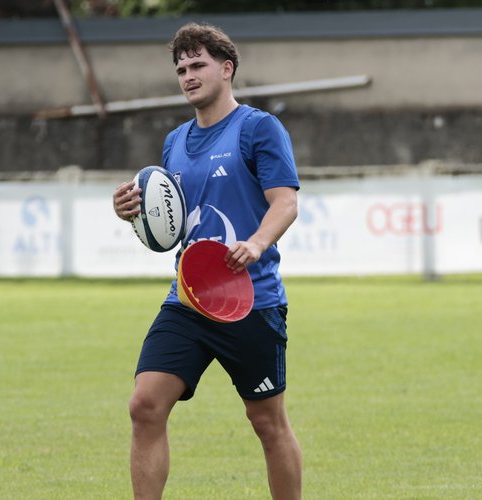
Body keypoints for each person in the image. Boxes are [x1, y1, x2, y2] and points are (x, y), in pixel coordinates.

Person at [112, 22, 302, 500]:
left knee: (267, 422)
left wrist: (256, 243)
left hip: (249, 301)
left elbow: (286, 202)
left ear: (227, 68)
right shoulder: (174, 142)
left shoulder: (258, 128)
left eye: (198, 65)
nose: (189, 76)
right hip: (188, 299)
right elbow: (169, 222)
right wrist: (131, 211)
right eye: (181, 70)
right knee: (144, 405)